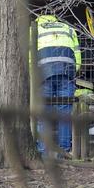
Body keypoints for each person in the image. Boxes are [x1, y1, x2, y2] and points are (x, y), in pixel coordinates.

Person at [31, 12, 81, 154]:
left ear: (38, 18)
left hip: (44, 75)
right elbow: (77, 56)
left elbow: (30, 57)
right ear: (55, 17)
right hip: (67, 73)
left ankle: (43, 151)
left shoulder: (34, 29)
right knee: (64, 113)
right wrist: (72, 72)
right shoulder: (68, 28)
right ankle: (64, 152)